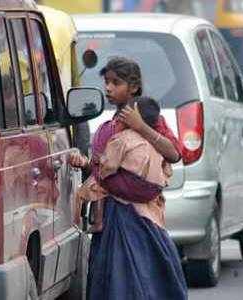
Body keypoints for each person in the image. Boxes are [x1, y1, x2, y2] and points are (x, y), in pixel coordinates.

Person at [69, 57, 187, 300]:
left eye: (116, 83)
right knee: (112, 277)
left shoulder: (150, 119)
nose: (109, 88)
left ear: (133, 87)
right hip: (111, 212)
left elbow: (174, 153)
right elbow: (102, 165)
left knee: (142, 275)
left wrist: (141, 126)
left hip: (139, 216)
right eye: (106, 82)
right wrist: (84, 162)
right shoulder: (110, 124)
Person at [76, 96, 173, 232]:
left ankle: (98, 222)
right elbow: (167, 168)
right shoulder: (154, 142)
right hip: (151, 190)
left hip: (125, 193)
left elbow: (109, 166)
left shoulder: (122, 139)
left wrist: (98, 163)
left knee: (97, 182)